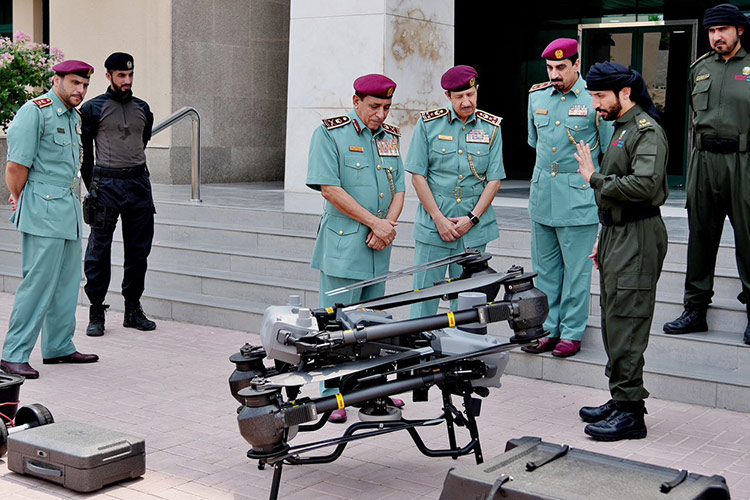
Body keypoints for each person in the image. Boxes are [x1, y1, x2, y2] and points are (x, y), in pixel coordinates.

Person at [574, 62, 668, 441]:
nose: (595, 103)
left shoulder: (647, 132)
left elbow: (644, 186)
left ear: (624, 94)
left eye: (599, 96)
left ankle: (631, 415)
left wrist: (593, 177)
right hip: (618, 233)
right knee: (614, 320)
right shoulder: (622, 130)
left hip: (638, 235)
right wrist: (604, 233)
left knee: (627, 321)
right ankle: (622, 396)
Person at [306, 74, 406, 422]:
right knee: (336, 324)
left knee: (374, 323)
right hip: (345, 246)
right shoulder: (330, 134)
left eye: (387, 107)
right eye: (375, 106)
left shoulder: (390, 138)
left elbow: (400, 190)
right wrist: (374, 223)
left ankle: (373, 389)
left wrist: (388, 226)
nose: (381, 114)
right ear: (356, 101)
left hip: (378, 247)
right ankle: (333, 394)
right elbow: (330, 189)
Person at [1, 61, 100, 379]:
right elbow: (16, 166)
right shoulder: (36, 111)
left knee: (68, 284)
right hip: (43, 211)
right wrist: (19, 198)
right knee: (38, 283)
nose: (80, 91)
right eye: (74, 83)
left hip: (67, 210)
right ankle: (13, 354)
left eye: (84, 85)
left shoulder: (73, 116)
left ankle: (58, 346)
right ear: (56, 80)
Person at [663, 4, 750, 345]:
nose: (717, 37)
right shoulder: (699, 69)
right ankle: (695, 309)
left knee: (748, 238)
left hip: (743, 161)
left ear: (739, 31)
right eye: (712, 31)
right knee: (700, 236)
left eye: (723, 30)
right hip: (704, 160)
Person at [522, 38, 614, 358]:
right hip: (543, 193)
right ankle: (547, 328)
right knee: (545, 270)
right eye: (550, 67)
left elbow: (607, 149)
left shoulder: (594, 99)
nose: (554, 74)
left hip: (578, 195)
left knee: (576, 272)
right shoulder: (537, 96)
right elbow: (536, 141)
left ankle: (572, 331)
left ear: (576, 64)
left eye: (561, 67)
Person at [406, 65, 504, 319]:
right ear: (448, 97)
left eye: (470, 94)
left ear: (477, 90)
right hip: (434, 224)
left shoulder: (491, 127)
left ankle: (464, 353)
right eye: (459, 97)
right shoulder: (429, 125)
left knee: (470, 301)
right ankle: (421, 350)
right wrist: (438, 218)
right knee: (423, 297)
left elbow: (494, 180)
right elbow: (418, 176)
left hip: (474, 227)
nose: (466, 101)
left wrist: (472, 218)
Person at [80, 52, 156, 337]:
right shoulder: (93, 108)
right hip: (106, 184)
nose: (127, 80)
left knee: (139, 250)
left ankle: (133, 309)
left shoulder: (143, 108)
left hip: (138, 184)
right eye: (121, 75)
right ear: (108, 76)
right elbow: (86, 156)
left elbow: (142, 139)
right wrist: (93, 189)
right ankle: (96, 310)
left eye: (130, 75)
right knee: (99, 250)